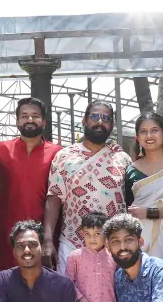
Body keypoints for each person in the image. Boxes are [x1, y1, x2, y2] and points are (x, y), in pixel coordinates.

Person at [44, 101, 132, 270]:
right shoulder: (64, 157)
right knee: (70, 296)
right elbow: (53, 198)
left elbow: (130, 201)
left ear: (112, 125)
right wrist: (47, 241)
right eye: (94, 117)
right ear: (84, 121)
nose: (100, 122)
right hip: (72, 242)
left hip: (113, 246)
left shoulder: (122, 159)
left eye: (106, 118)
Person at [0, 97, 62, 271]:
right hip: (6, 236)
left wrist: (48, 239)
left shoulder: (58, 153)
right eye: (24, 116)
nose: (29, 120)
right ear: (17, 121)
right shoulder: (0, 150)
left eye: (35, 116)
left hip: (44, 239)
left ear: (44, 121)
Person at [122, 113, 163, 259]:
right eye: (143, 131)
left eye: (154, 130)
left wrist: (152, 213)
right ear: (137, 137)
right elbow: (128, 207)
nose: (149, 135)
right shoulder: (131, 170)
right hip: (140, 239)